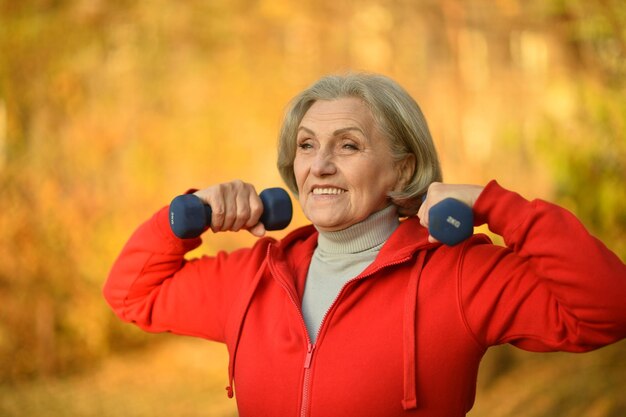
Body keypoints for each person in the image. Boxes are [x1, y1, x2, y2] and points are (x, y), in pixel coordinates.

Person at [103, 73, 626, 417]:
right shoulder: (255, 275)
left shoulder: (461, 275)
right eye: (307, 146)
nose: (319, 165)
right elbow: (131, 293)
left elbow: (607, 309)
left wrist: (497, 206)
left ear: (403, 166)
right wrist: (189, 216)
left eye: (348, 145)